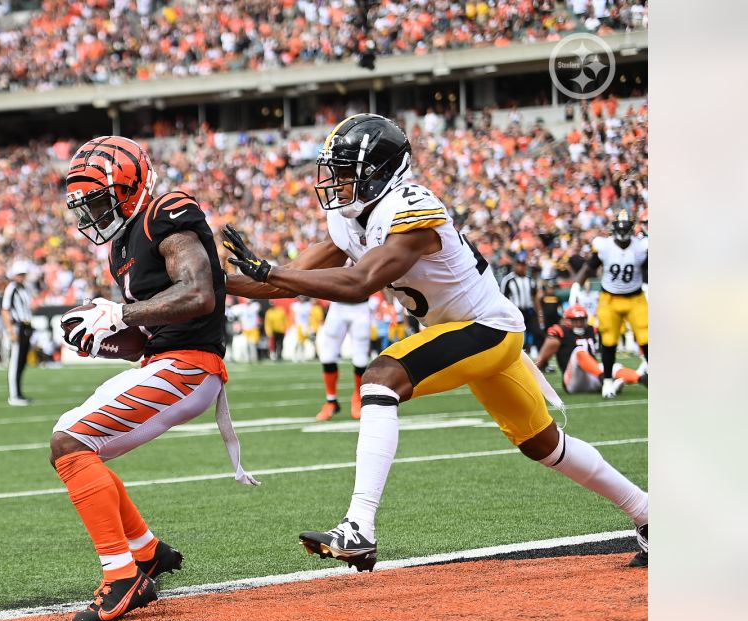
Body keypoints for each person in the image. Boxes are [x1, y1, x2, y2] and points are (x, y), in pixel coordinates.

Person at [221, 113, 649, 570]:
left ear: (379, 173)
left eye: (346, 172)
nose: (336, 181)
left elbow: (359, 282)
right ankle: (649, 513)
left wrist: (269, 269)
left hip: (488, 328)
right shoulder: (349, 219)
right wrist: (213, 282)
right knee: (543, 445)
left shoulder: (411, 210)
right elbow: (287, 284)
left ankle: (359, 526)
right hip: (461, 332)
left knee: (381, 378)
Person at [55, 135, 257, 621]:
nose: (94, 215)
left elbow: (199, 293)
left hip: (191, 365)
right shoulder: (123, 242)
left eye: (100, 201)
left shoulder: (166, 211)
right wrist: (103, 336)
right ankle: (145, 552)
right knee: (73, 439)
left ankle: (123, 574)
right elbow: (146, 334)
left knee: (71, 443)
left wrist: (121, 312)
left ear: (131, 187)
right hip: (164, 361)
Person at [573, 209, 649, 398]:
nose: (623, 235)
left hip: (635, 297)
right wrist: (576, 286)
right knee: (608, 340)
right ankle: (607, 381)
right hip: (610, 298)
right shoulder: (605, 247)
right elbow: (588, 268)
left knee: (647, 337)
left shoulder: (640, 247)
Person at [535, 304, 645, 394]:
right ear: (567, 320)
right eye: (575, 320)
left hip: (592, 376)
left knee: (614, 367)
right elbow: (542, 358)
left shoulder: (591, 330)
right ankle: (605, 381)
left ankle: (642, 379)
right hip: (573, 381)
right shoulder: (560, 331)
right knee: (579, 351)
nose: (579, 323)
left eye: (582, 320)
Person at [314, 284, 376, 421]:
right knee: (327, 357)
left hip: (361, 306)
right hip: (337, 306)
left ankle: (358, 398)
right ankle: (331, 401)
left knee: (361, 359)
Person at [1, 260, 34, 405]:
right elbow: (5, 310)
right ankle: (14, 396)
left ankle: (19, 394)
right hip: (17, 327)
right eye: (20, 274)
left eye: (23, 274)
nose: (22, 277)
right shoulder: (12, 288)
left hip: (26, 326)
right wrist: (10, 330)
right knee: (15, 363)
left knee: (22, 362)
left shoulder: (23, 288)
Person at [499, 253, 542, 354]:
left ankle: (541, 358)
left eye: (523, 264)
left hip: (529, 311)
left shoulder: (530, 279)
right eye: (519, 264)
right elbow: (503, 299)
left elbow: (535, 297)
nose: (521, 267)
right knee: (517, 334)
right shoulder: (508, 280)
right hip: (515, 311)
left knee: (537, 332)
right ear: (514, 265)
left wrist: (539, 314)